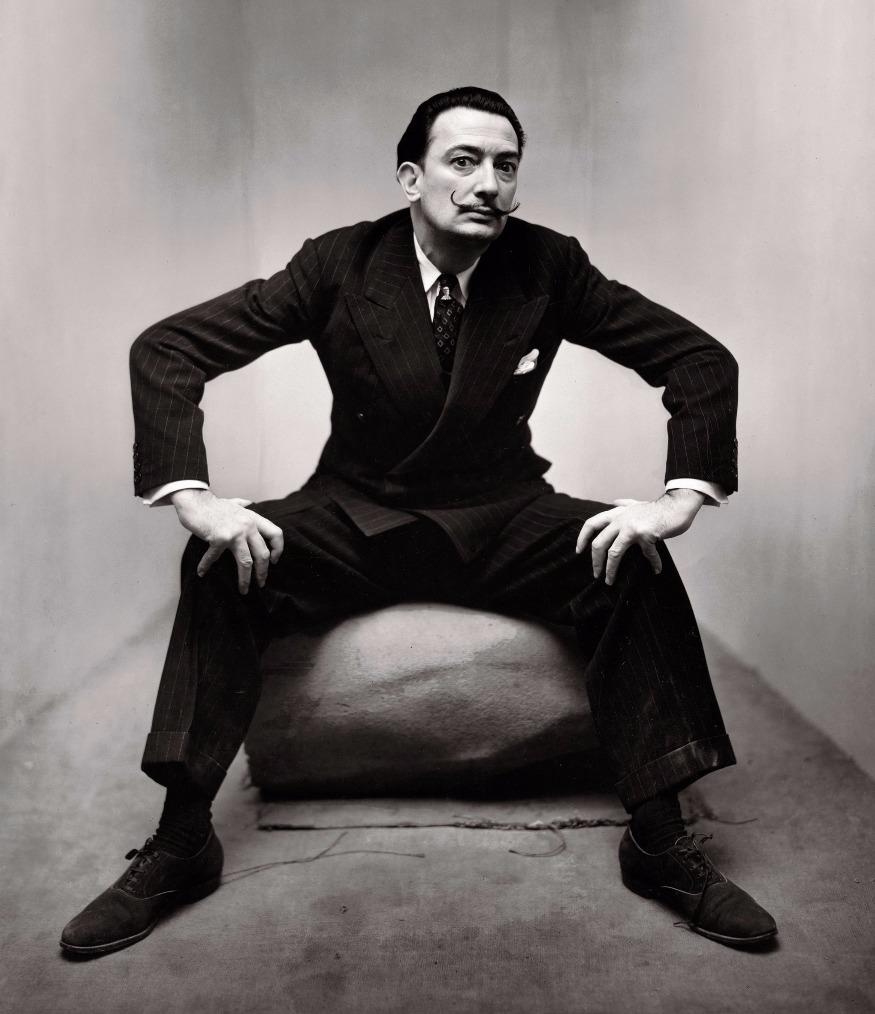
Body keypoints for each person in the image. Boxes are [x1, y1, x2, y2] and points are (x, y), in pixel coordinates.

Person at [60, 86, 776, 956]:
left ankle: (658, 841)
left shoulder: (548, 265)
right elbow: (167, 349)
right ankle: (181, 841)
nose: (487, 184)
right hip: (358, 509)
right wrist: (195, 499)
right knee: (221, 562)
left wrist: (675, 503)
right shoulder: (337, 263)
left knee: (631, 560)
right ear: (411, 178)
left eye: (505, 166)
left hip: (502, 511)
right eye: (462, 162)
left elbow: (698, 360)